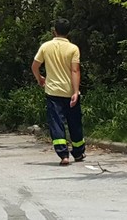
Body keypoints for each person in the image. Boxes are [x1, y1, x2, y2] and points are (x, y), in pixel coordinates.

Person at [31, 18, 85, 166]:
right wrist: (75, 91)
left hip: (53, 92)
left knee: (57, 123)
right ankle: (79, 152)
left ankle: (63, 155)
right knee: (75, 123)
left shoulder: (46, 47)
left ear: (54, 31)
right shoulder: (73, 49)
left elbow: (34, 66)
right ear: (68, 32)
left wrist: (40, 78)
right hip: (70, 92)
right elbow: (75, 70)